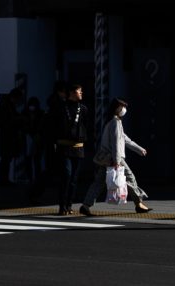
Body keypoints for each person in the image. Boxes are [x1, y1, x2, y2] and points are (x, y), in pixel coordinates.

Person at [78, 98, 151, 215]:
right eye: (122, 107)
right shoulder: (115, 123)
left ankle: (86, 205)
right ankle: (139, 204)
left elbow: (126, 140)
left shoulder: (113, 122)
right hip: (115, 158)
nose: (124, 109)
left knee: (99, 182)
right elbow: (116, 143)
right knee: (130, 178)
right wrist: (117, 161)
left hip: (106, 158)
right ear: (116, 108)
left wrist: (139, 149)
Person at [28, 80, 68, 203]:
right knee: (55, 169)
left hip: (51, 140)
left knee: (53, 168)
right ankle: (36, 191)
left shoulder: (52, 104)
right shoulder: (58, 105)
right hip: (55, 141)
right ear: (61, 91)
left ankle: (36, 190)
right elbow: (56, 124)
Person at [54, 83, 89, 215]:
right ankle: (62, 206)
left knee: (74, 178)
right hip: (64, 147)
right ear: (72, 93)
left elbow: (86, 126)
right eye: (79, 91)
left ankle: (69, 205)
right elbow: (54, 125)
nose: (81, 93)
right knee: (66, 175)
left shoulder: (84, 109)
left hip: (78, 147)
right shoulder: (61, 108)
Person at [0, 86, 24, 185]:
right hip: (8, 136)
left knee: (6, 159)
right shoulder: (7, 106)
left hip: (6, 136)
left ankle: (4, 179)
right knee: (6, 159)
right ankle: (4, 180)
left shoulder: (5, 105)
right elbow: (10, 121)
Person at [21, 96, 45, 185]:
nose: (32, 107)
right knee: (29, 159)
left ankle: (36, 178)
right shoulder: (25, 113)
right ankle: (30, 177)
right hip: (29, 137)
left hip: (37, 138)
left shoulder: (40, 114)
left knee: (36, 159)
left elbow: (41, 126)